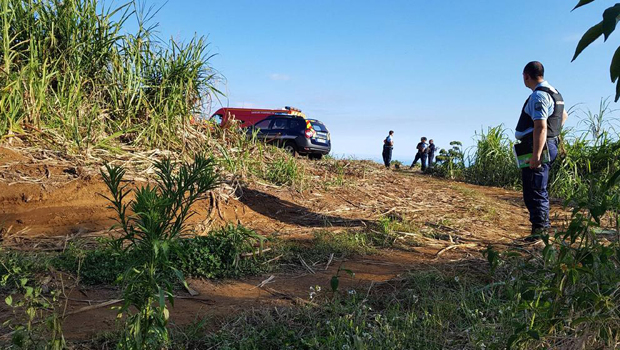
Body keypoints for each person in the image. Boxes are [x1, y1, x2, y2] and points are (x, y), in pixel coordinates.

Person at [515, 61, 568, 239]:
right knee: (537, 187)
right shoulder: (554, 92)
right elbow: (564, 116)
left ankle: (540, 233)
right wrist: (554, 135)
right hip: (548, 143)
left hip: (537, 146)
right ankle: (540, 230)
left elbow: (540, 127)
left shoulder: (539, 95)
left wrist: (537, 154)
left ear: (526, 76)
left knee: (535, 189)